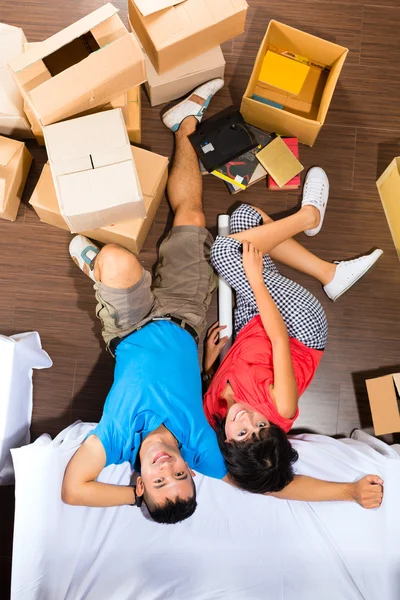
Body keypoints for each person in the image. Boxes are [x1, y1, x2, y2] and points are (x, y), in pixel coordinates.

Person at [62, 81, 383, 521]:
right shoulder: (205, 448)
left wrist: (134, 498)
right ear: (195, 475)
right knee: (195, 218)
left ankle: (98, 265)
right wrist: (347, 491)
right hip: (187, 314)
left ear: (139, 482)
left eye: (158, 482)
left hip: (130, 325)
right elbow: (271, 484)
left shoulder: (114, 440)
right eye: (181, 477)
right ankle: (185, 126)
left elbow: (74, 491)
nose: (169, 468)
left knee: (118, 262)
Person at [202, 182, 383, 495]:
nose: (248, 419)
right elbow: (279, 340)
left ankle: (330, 274)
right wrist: (256, 281)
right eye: (260, 427)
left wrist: (208, 363)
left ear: (226, 442)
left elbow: (214, 383)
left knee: (245, 220)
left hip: (251, 331)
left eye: (243, 431)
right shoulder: (280, 409)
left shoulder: (211, 414)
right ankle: (309, 217)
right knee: (225, 251)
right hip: (298, 331)